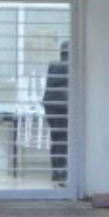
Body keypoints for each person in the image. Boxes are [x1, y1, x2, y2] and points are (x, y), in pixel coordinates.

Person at [42, 41, 70, 185]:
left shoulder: (54, 65)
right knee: (62, 141)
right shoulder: (70, 66)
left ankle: (58, 173)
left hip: (51, 106)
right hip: (62, 107)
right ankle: (61, 175)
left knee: (57, 139)